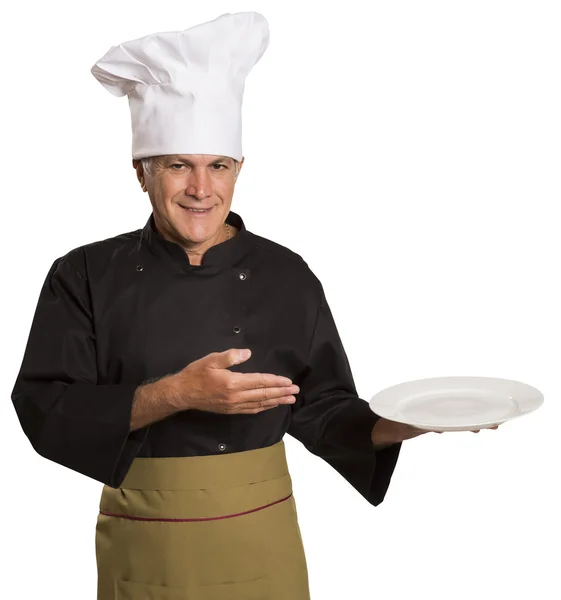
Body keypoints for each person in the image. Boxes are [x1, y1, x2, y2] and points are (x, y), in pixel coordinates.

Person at [9, 11, 495, 600]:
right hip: (148, 549)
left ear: (239, 168)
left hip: (261, 539)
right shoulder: (83, 274)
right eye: (177, 165)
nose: (200, 188)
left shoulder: (285, 274)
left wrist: (404, 424)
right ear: (141, 172)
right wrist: (175, 395)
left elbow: (324, 409)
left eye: (218, 165)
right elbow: (43, 406)